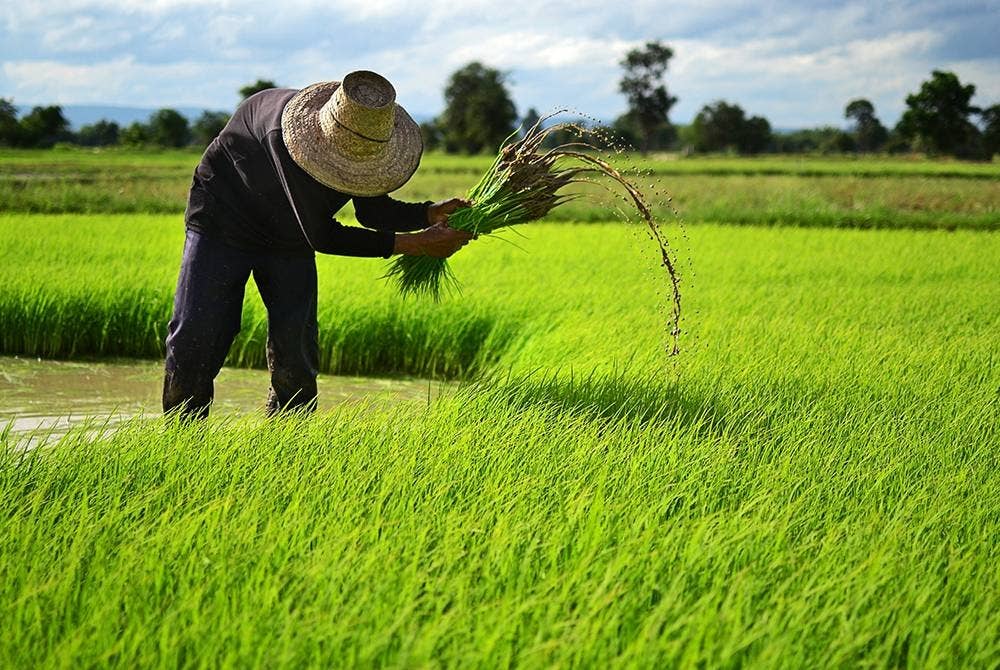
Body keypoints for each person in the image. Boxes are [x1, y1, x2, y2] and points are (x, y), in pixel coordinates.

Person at [162, 70, 473, 419]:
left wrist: (428, 214)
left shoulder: (363, 139)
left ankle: (289, 442)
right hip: (223, 222)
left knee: (296, 345)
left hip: (289, 236)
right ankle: (183, 434)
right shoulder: (284, 136)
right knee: (198, 335)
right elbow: (321, 235)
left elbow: (372, 211)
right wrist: (415, 245)